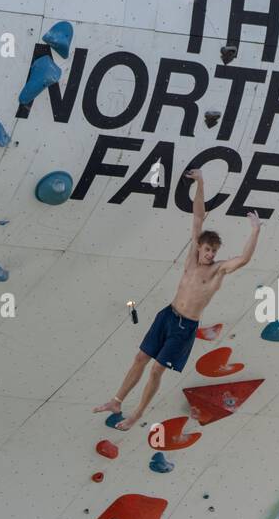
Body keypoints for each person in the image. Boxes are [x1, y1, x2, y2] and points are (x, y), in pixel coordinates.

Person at [95, 168, 261, 431]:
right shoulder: (192, 260)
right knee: (140, 358)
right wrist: (201, 182)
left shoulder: (218, 271)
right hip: (168, 315)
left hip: (185, 327)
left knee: (156, 370)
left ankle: (137, 414)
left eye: (213, 251)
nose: (209, 254)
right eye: (207, 250)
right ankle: (116, 401)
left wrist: (255, 231)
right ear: (200, 248)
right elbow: (197, 217)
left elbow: (244, 259)